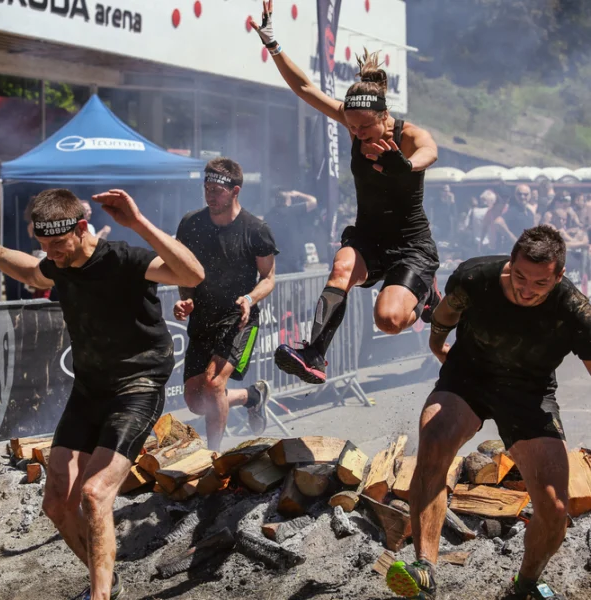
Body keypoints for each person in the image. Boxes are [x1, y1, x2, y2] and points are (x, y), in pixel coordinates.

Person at [0, 188, 204, 600]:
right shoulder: (58, 264)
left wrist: (138, 222)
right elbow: (31, 272)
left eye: (57, 244)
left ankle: (99, 596)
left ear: (81, 227)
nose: (50, 254)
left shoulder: (124, 259)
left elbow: (193, 276)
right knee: (56, 504)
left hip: (137, 388)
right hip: (89, 390)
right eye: (43, 244)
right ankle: (107, 580)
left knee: (94, 492)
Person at [387, 225, 591, 600]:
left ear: (559, 276)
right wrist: (437, 346)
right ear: (509, 264)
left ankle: (526, 584)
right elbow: (447, 312)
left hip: (529, 396)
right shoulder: (476, 277)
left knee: (555, 507)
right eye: (519, 277)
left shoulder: (575, 310)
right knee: (433, 440)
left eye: (540, 284)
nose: (526, 289)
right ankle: (424, 569)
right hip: (469, 378)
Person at [250, 1, 440, 384]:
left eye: (364, 129)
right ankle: (315, 354)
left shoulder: (407, 134)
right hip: (368, 238)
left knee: (388, 321)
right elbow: (304, 87)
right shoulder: (354, 120)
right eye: (350, 128)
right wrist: (273, 45)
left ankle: (428, 298)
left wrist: (407, 165)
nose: (356, 134)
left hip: (410, 245)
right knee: (339, 268)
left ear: (385, 116)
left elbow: (429, 151)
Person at [174, 158, 278, 451]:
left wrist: (249, 298)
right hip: (202, 316)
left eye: (216, 190)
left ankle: (213, 455)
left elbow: (268, 277)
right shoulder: (190, 223)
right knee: (196, 401)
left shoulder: (256, 229)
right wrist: (186, 300)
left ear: (235, 191)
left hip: (239, 319)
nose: (210, 195)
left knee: (213, 384)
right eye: (206, 188)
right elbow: (183, 270)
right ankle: (251, 397)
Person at [264, 188, 318, 274]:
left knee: (280, 285)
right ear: (288, 200)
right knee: (298, 285)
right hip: (295, 258)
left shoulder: (268, 216)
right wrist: (298, 194)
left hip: (278, 259)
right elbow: (313, 201)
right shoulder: (293, 210)